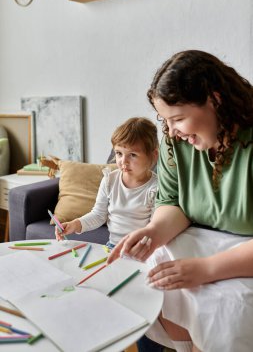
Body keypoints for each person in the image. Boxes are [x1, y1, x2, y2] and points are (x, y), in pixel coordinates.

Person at [108, 50, 253, 352]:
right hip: (205, 238)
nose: (171, 130)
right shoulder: (177, 144)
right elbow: (172, 201)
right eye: (165, 120)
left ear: (215, 100)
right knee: (156, 265)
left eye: (178, 119)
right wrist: (153, 232)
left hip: (244, 250)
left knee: (231, 305)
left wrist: (208, 268)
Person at [55, 117, 158, 249]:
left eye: (132, 155)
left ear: (153, 156)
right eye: (119, 153)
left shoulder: (155, 188)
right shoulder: (110, 180)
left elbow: (154, 229)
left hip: (141, 251)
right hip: (112, 246)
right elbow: (98, 215)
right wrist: (74, 225)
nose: (123, 161)